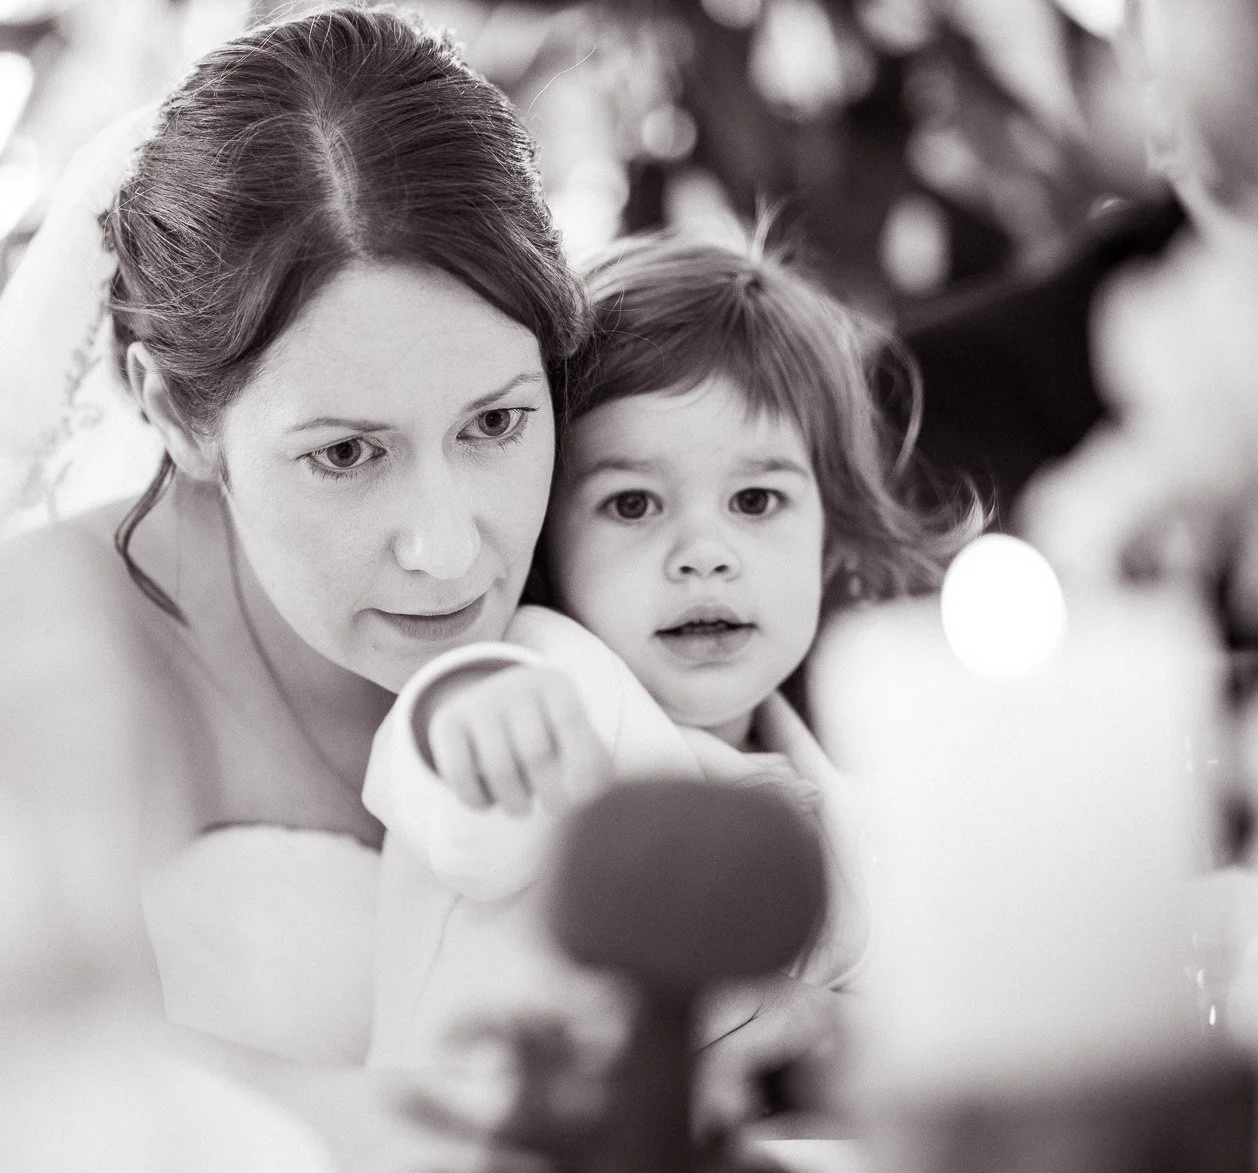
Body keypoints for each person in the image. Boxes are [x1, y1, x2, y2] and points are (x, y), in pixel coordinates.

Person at [363, 229, 981, 1075]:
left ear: (831, 537)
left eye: (755, 501)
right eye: (633, 505)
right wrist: (475, 716)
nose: (704, 553)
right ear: (547, 539)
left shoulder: (837, 788)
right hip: (482, 1134)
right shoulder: (554, 682)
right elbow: (452, 786)